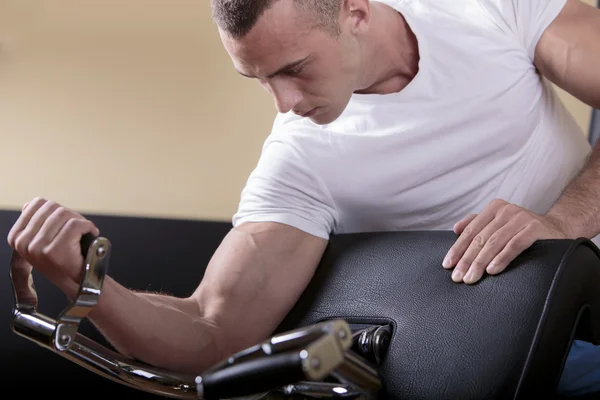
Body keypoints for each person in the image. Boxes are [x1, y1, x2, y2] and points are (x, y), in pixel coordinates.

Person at [7, 0, 600, 396]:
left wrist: (561, 219)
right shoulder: (302, 158)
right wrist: (92, 288)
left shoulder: (484, 7)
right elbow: (212, 332)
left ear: (356, 11)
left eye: (295, 68)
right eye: (260, 79)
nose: (284, 103)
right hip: (520, 351)